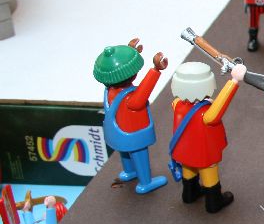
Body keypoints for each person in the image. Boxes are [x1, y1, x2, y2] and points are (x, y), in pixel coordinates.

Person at [92, 39, 168, 194]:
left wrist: (131, 52)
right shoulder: (130, 98)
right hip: (134, 133)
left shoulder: (109, 91)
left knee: (125, 153)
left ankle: (129, 171)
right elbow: (145, 90)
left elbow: (116, 70)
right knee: (139, 155)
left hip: (118, 133)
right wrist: (155, 70)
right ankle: (145, 182)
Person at [169, 61, 245, 213]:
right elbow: (220, 106)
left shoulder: (177, 105)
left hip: (183, 150)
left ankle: (189, 194)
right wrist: (234, 81)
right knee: (209, 175)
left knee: (188, 169)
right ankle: (214, 202)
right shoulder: (206, 114)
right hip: (204, 152)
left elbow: (182, 102)